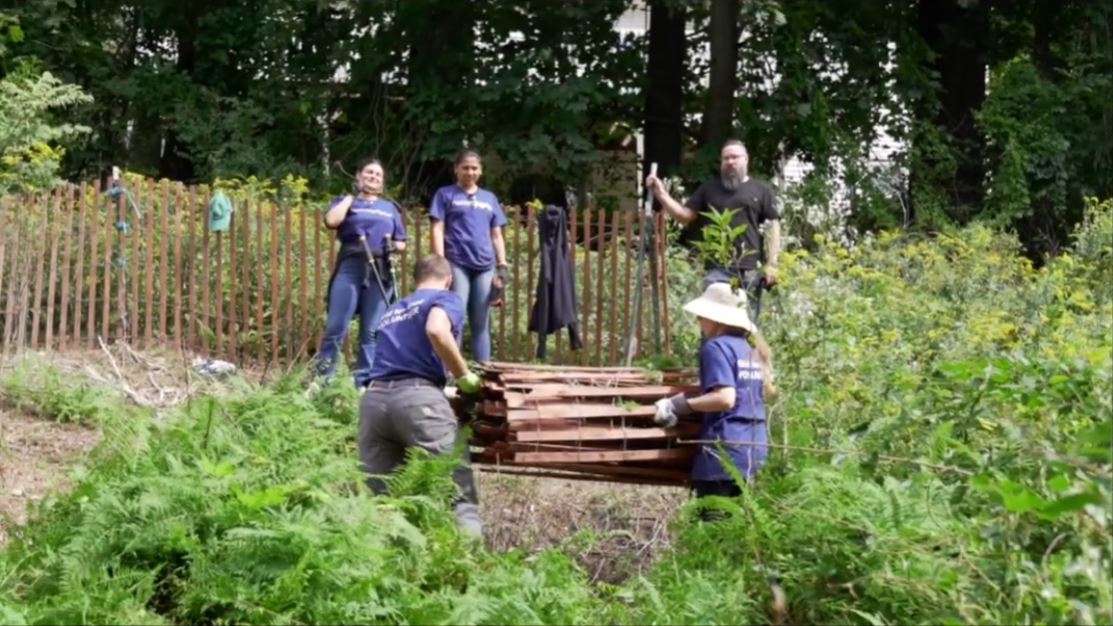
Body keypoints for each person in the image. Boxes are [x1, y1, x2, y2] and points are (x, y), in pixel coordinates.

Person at [359, 254, 484, 537]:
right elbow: (436, 330)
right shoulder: (445, 298)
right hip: (417, 400)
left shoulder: (394, 310)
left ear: (415, 280)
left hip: (373, 403)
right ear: (449, 280)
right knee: (458, 495)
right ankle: (474, 568)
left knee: (381, 504)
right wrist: (464, 376)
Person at [653, 282, 776, 502]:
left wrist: (677, 405)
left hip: (723, 455)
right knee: (742, 530)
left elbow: (725, 398)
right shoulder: (752, 349)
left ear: (716, 318)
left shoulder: (716, 347)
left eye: (701, 316)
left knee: (713, 530)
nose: (698, 320)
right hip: (755, 452)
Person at [645, 139, 782, 322]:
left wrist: (772, 264)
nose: (730, 162)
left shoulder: (761, 190)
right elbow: (685, 216)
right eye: (726, 158)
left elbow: (774, 227)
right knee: (714, 323)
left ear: (746, 160)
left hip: (749, 269)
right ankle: (711, 351)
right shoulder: (709, 189)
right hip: (717, 269)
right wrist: (661, 193)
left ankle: (744, 352)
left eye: (735, 157)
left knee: (747, 326)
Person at [315, 158, 407, 390]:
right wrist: (350, 197)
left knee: (371, 331)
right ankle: (324, 380)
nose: (373, 177)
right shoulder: (346, 202)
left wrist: (393, 247)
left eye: (378, 174)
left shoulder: (390, 208)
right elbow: (331, 220)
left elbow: (402, 242)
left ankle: (364, 383)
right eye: (369, 172)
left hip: (380, 269)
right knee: (336, 325)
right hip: (351, 265)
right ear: (358, 176)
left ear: (382, 182)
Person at [429, 150, 510, 363]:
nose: (470, 172)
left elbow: (496, 234)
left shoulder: (489, 198)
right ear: (456, 169)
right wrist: (441, 262)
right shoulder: (445, 194)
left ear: (480, 171)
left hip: (485, 266)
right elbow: (437, 229)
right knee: (455, 319)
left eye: (474, 168)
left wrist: (502, 264)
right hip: (457, 263)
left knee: (481, 322)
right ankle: (449, 374)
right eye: (465, 167)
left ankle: (484, 373)